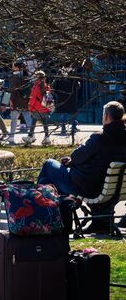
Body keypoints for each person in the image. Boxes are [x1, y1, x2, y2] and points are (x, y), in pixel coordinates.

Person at [38, 101, 126, 233]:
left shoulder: (100, 137)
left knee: (48, 165)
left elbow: (77, 156)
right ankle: (98, 223)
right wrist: (73, 162)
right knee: (47, 180)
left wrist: (72, 162)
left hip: (86, 186)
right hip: (112, 188)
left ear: (106, 117)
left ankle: (48, 217)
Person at [23, 70, 52, 145]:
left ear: (37, 78)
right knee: (45, 124)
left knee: (33, 123)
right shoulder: (47, 87)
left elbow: (32, 99)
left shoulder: (35, 87)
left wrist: (30, 108)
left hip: (36, 108)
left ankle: (30, 137)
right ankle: (47, 138)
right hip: (44, 108)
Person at [8, 62, 33, 145]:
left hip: (16, 100)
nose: (12, 68)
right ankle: (32, 135)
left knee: (14, 119)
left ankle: (11, 137)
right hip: (25, 100)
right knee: (28, 118)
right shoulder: (26, 76)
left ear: (17, 68)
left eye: (13, 66)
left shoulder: (14, 77)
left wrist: (11, 100)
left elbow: (13, 90)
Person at [52, 66, 80, 135]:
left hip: (62, 98)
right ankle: (73, 128)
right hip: (71, 98)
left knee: (63, 114)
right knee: (73, 114)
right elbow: (77, 86)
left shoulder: (58, 78)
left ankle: (63, 129)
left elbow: (54, 88)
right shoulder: (73, 77)